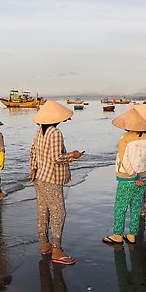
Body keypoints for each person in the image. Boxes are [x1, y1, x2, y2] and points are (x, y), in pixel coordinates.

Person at [29, 100, 84, 265]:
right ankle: (57, 250)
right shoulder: (55, 133)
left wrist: (33, 168)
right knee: (59, 213)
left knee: (43, 212)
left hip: (39, 177)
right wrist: (73, 155)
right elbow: (56, 158)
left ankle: (45, 245)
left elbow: (32, 151)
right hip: (51, 179)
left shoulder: (40, 131)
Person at [102, 108, 146, 245]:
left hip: (128, 178)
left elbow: (124, 160)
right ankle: (132, 234)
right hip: (144, 176)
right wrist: (141, 175)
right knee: (136, 206)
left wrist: (134, 176)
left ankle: (117, 235)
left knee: (120, 206)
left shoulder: (125, 138)